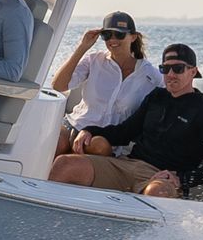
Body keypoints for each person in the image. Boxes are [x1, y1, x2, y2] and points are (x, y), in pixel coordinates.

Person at [47, 42, 203, 199]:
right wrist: (90, 130)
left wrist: (183, 179)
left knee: (158, 193)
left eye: (178, 69)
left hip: (162, 177)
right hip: (127, 165)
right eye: (166, 68)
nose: (171, 74)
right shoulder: (156, 97)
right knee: (65, 164)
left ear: (192, 72)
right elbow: (125, 131)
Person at [49, 9, 161, 155]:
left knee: (98, 146)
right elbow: (58, 86)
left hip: (107, 139)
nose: (113, 40)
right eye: (107, 35)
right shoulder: (93, 60)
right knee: (55, 144)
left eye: (119, 34)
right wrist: (82, 47)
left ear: (133, 37)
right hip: (75, 125)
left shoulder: (151, 75)